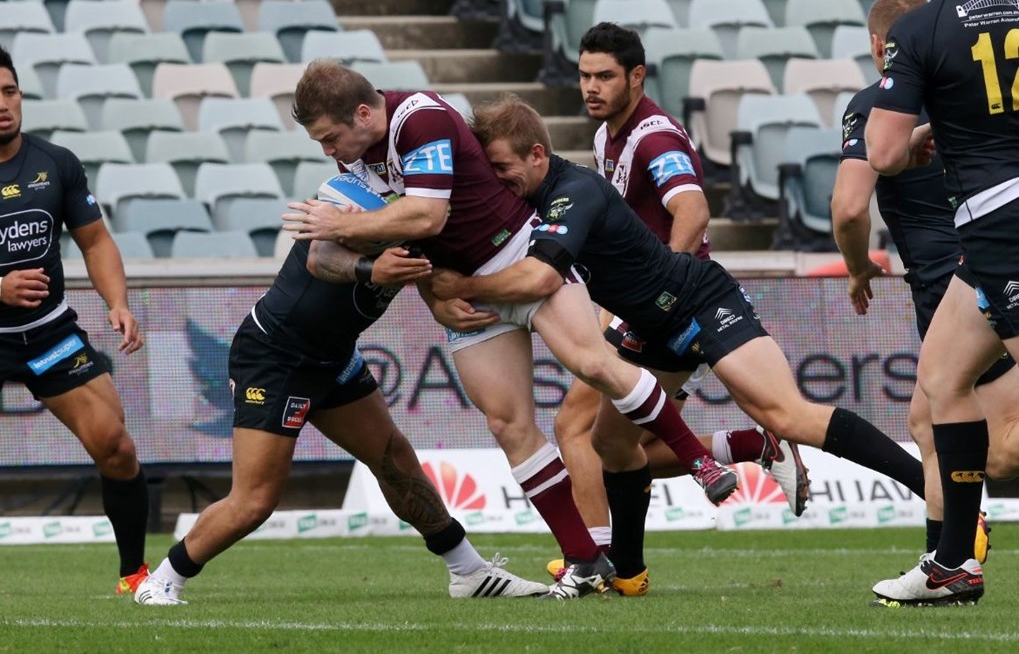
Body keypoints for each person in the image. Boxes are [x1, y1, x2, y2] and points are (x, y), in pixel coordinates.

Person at [426, 95, 933, 593]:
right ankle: (628, 572)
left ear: (537, 154)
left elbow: (541, 278)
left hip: (700, 301)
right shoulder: (533, 197)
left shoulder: (574, 189)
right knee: (611, 443)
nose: (497, 179)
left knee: (786, 415)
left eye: (502, 167)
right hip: (650, 327)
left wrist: (461, 288)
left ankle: (937, 493)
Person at [281, 60, 738, 599]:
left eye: (330, 137)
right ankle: (584, 559)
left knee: (594, 363)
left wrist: (343, 223)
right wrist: (431, 296)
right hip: (466, 292)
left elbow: (427, 217)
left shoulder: (419, 118)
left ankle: (701, 463)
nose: (328, 151)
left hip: (519, 255)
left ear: (363, 113)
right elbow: (375, 249)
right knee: (508, 424)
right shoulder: (356, 159)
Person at [133, 231, 549, 605]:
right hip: (276, 358)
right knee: (254, 501)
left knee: (394, 459)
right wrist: (371, 268)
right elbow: (321, 254)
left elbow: (427, 271)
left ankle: (469, 570)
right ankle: (163, 580)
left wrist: (441, 303)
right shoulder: (361, 195)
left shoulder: (430, 208)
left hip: (333, 356)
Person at [544, 21, 811, 592]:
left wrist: (656, 295)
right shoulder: (607, 136)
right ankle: (753, 445)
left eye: (604, 76)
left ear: (637, 76)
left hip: (668, 305)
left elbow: (692, 211)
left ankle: (595, 558)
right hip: (651, 304)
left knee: (576, 427)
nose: (590, 87)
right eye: (584, 75)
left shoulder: (654, 137)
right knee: (632, 444)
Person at [0, 43, 149, 593]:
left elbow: (95, 241)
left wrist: (117, 302)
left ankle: (136, 576)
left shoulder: (56, 163)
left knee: (117, 448)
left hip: (51, 336)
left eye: (10, 91)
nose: (2, 104)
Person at [832, 0, 1006, 572]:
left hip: (963, 271)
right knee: (929, 414)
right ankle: (947, 557)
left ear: (879, 45)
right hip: (978, 263)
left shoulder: (878, 99)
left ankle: (951, 550)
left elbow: (849, 208)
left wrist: (858, 267)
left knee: (998, 450)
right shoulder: (974, 78)